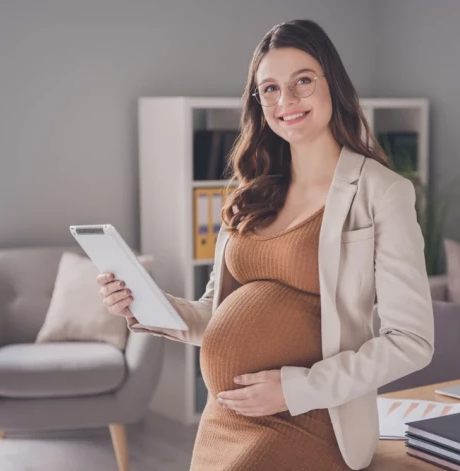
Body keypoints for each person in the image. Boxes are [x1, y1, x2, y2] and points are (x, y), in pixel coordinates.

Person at [97, 18, 434, 471]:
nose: (286, 100)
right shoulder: (250, 191)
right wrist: (146, 308)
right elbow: (216, 317)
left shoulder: (382, 192)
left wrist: (295, 389)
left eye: (302, 81)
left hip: (316, 419)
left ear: (331, 82)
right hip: (228, 416)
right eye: (270, 88)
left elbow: (411, 341)